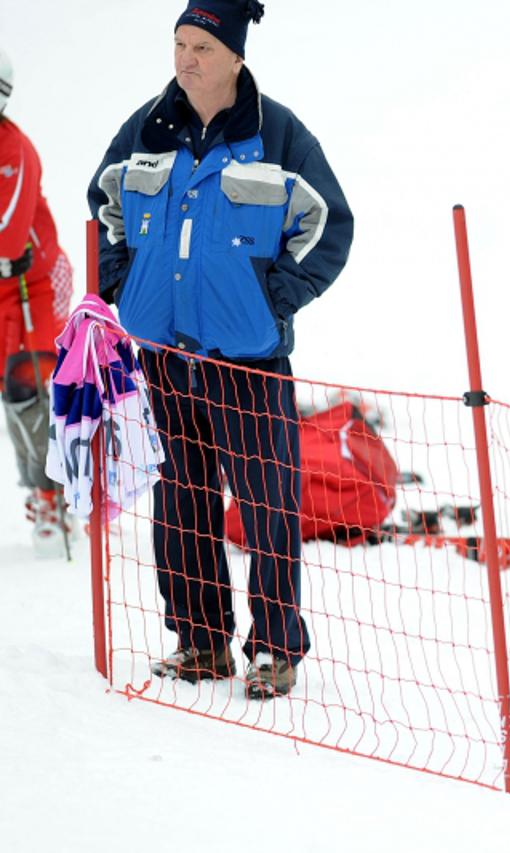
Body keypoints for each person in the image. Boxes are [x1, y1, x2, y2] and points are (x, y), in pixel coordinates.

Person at [87, 0, 353, 699]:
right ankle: (200, 641)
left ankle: (274, 648)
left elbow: (331, 226)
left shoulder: (279, 135)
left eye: (201, 46)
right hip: (165, 355)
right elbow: (105, 205)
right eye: (179, 43)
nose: (185, 59)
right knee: (181, 496)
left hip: (248, 357)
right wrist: (123, 285)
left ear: (234, 55)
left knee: (267, 502)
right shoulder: (147, 127)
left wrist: (274, 301)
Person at [0, 46, 75, 554]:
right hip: (4, 291)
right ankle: (44, 489)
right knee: (13, 394)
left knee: (32, 392)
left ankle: (57, 493)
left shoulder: (13, 151)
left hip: (34, 286)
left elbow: (8, 236)